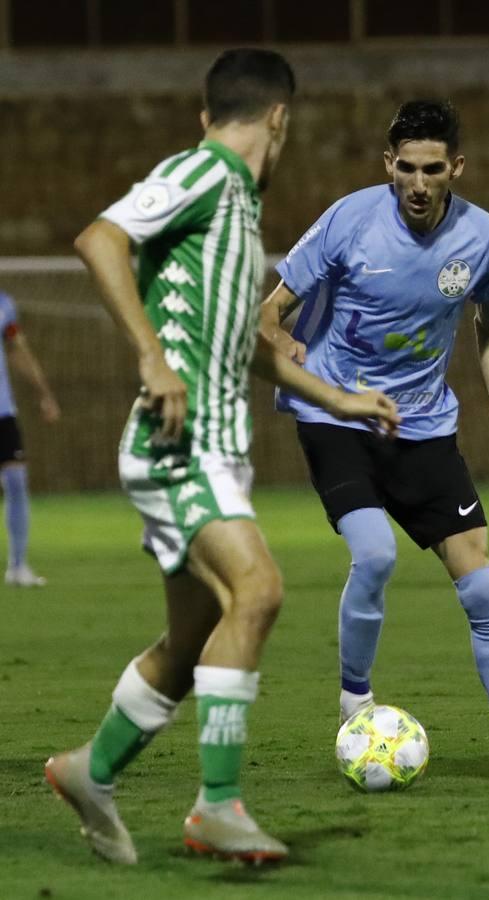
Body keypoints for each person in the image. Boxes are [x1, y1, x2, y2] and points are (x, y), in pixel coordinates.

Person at [45, 48, 397, 866]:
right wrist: (149, 356)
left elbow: (246, 342)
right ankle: (216, 807)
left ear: (212, 111)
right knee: (259, 589)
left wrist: (338, 397)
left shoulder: (236, 208)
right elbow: (99, 239)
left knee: (193, 634)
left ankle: (89, 773)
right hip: (179, 445)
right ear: (279, 119)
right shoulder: (203, 174)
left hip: (215, 452)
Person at [260, 100, 489, 788]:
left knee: (481, 589)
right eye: (404, 168)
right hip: (336, 417)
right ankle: (355, 702)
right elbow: (270, 311)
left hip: (422, 427)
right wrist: (283, 340)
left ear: (455, 168)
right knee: (374, 553)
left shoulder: (482, 238)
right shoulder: (347, 220)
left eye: (431, 169)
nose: (417, 183)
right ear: (386, 165)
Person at [0, 290, 60, 586]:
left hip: (3, 410)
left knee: (16, 481)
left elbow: (17, 350)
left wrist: (44, 394)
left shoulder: (5, 305)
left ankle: (18, 565)